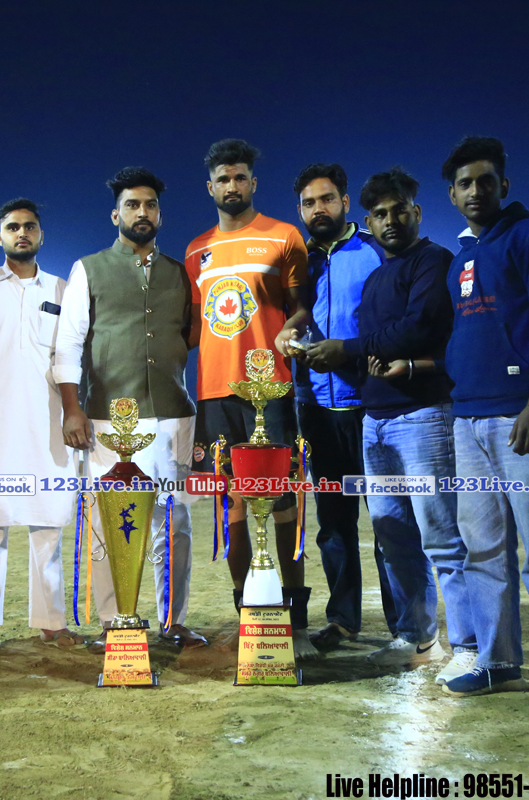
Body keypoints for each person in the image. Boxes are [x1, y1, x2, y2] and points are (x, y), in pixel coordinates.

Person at [438, 137, 529, 718]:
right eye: (465, 183)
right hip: (468, 419)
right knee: (483, 550)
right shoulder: (461, 259)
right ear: (452, 195)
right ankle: (497, 660)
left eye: (486, 180)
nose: (476, 190)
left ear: (504, 185)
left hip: (520, 414)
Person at [323, 167, 473, 672]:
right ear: (368, 221)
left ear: (417, 212)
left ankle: (469, 648)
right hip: (376, 420)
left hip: (424, 417)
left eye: (398, 210)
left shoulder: (434, 261)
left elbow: (417, 328)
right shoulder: (374, 279)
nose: (390, 220)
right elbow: (377, 344)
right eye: (380, 214)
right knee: (393, 538)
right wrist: (342, 353)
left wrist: (349, 348)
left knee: (442, 537)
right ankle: (417, 639)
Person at [54, 167, 202, 651]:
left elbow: (191, 336)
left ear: (160, 214)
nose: (143, 212)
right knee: (109, 522)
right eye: (133, 205)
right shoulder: (89, 268)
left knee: (173, 521)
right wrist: (72, 409)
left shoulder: (180, 273)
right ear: (115, 215)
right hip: (106, 418)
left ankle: (172, 620)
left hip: (173, 414)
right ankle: (114, 621)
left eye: (150, 205)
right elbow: (68, 343)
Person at [185, 139, 314, 657]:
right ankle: (250, 614)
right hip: (215, 394)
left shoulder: (284, 237)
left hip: (272, 391)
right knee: (232, 506)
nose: (232, 186)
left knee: (284, 502)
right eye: (223, 178)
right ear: (210, 186)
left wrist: (291, 331)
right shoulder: (196, 251)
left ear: (253, 183)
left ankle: (296, 619)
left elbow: (303, 306)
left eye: (240, 177)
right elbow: (191, 326)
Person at [275, 163, 399, 651]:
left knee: (388, 520)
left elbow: (396, 320)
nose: (318, 209)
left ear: (345, 203)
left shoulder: (374, 249)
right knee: (333, 524)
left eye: (327, 199)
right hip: (315, 409)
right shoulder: (297, 260)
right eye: (309, 203)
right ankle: (343, 620)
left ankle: (404, 625)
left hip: (372, 406)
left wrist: (352, 355)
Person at [0, 198, 82, 653]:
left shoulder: (62, 288)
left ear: (41, 234)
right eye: (13, 227)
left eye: (30, 226)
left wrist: (73, 411)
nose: (22, 233)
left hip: (48, 423)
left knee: (48, 525)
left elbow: (71, 354)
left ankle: (52, 623)